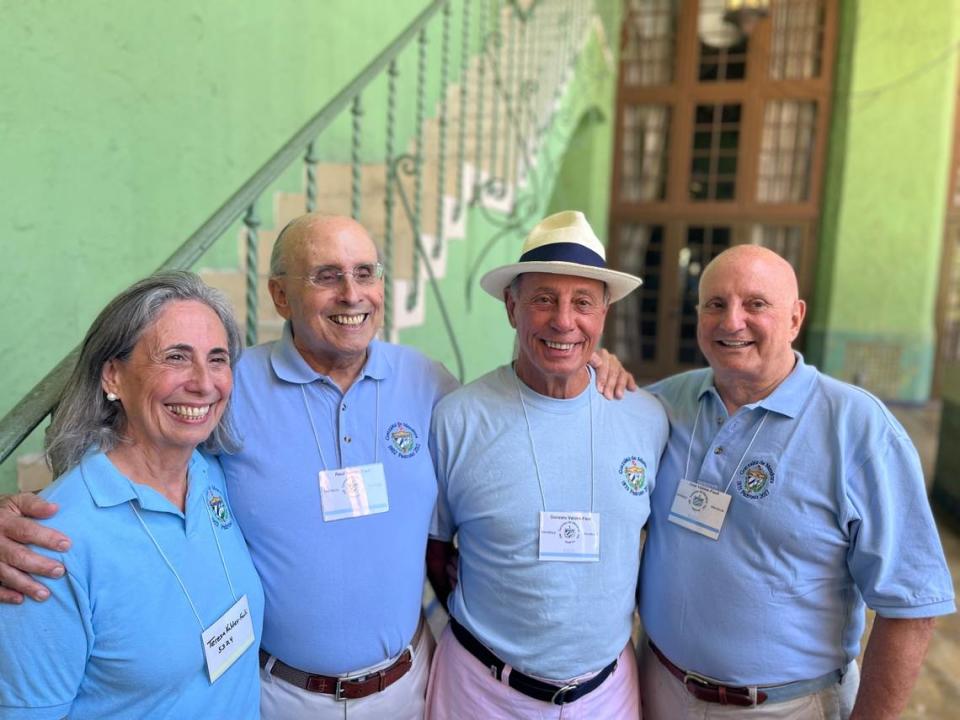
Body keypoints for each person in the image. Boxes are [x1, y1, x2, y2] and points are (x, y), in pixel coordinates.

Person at [0, 213, 634, 720]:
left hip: (406, 690)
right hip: (279, 696)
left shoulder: (429, 383)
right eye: (326, 275)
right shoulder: (228, 386)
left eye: (366, 273)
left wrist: (592, 365)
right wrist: (17, 518)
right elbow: (136, 445)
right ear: (279, 294)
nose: (352, 294)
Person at [638, 245, 955, 720]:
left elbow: (911, 605)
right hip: (656, 687)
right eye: (715, 304)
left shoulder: (857, 428)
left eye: (756, 304)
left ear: (795, 318)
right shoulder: (662, 404)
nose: (732, 321)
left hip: (785, 708)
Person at [425, 210, 668, 719]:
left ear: (604, 314)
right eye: (543, 299)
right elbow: (435, 551)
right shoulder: (456, 418)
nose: (563, 320)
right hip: (481, 692)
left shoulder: (646, 418)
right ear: (512, 308)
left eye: (583, 302)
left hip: (605, 696)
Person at [0, 271, 264, 719]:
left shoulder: (210, 474)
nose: (204, 382)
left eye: (217, 359)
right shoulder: (50, 545)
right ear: (113, 376)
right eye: (176, 357)